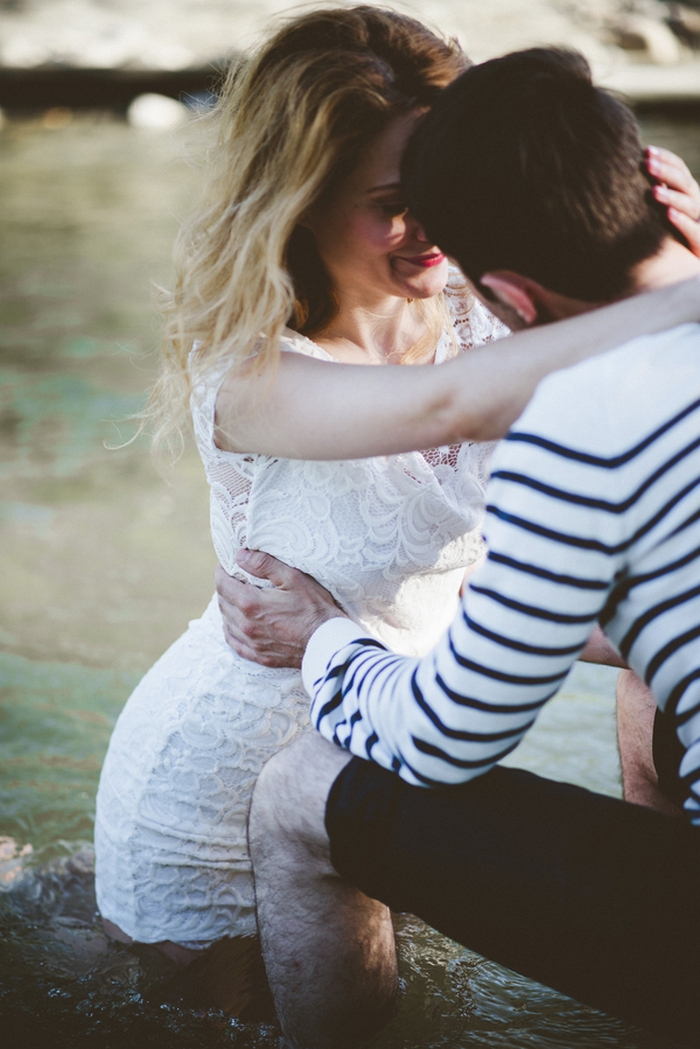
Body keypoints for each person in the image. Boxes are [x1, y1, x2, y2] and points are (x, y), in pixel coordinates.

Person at [94, 3, 700, 1018]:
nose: (428, 222)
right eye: (389, 200)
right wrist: (674, 293)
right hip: (224, 790)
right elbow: (447, 403)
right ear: (299, 200)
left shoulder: (486, 298)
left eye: (438, 189)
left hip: (395, 749)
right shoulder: (247, 375)